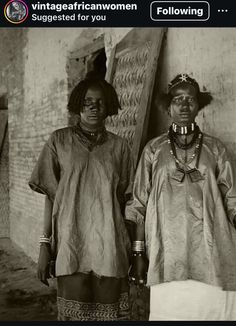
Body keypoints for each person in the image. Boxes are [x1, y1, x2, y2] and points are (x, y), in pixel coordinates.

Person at [126, 73, 236, 320]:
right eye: (178, 100)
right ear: (168, 106)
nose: (184, 105)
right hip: (167, 250)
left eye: (191, 99)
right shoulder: (154, 149)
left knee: (212, 309)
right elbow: (138, 204)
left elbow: (233, 198)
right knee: (173, 310)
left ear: (199, 105)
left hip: (211, 245)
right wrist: (138, 253)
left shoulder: (215, 148)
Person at [28, 72, 133, 321]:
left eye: (100, 102)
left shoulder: (120, 147)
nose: (94, 108)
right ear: (77, 104)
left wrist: (136, 251)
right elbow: (51, 196)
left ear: (109, 105)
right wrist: (45, 245)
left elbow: (128, 202)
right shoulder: (59, 141)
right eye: (87, 102)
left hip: (110, 245)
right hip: (71, 243)